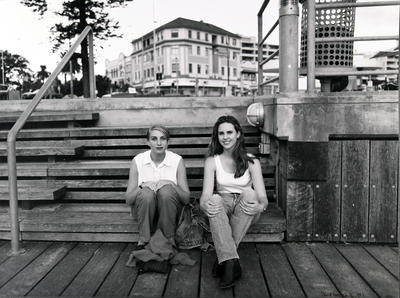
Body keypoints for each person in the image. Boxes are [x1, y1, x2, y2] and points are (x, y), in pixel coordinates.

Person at [200, 115, 269, 289]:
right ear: (217, 137)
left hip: (247, 211)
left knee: (250, 194)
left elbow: (262, 198)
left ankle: (223, 259)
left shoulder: (252, 161)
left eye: (229, 132)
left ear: (238, 134)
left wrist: (260, 206)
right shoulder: (212, 161)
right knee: (214, 199)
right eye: (221, 133)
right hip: (223, 207)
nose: (225, 137)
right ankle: (231, 263)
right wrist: (205, 205)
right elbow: (206, 195)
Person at [125, 125, 191, 248]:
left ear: (168, 142)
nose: (159, 143)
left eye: (163, 139)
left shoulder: (177, 160)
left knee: (166, 191)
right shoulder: (138, 161)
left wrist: (171, 184)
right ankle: (144, 239)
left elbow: (186, 199)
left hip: (170, 212)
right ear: (148, 142)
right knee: (146, 193)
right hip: (144, 211)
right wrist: (142, 186)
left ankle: (168, 238)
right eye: (154, 139)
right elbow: (128, 199)